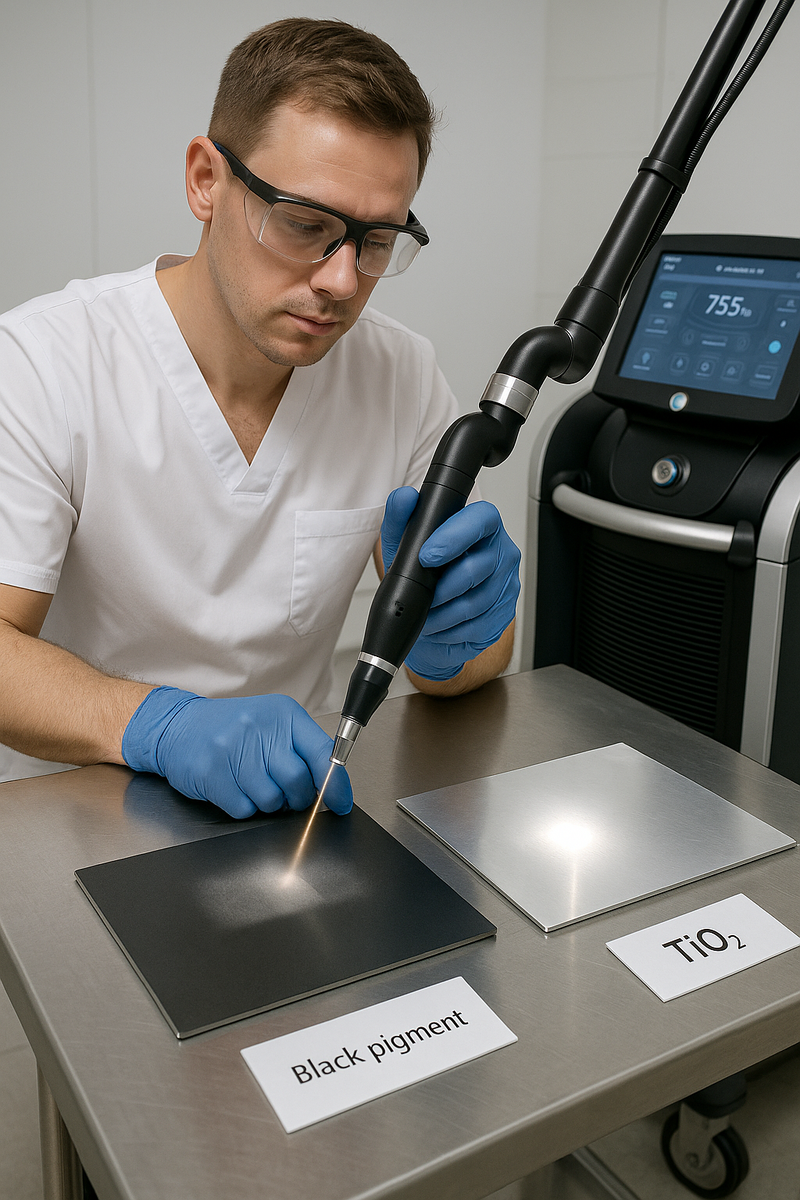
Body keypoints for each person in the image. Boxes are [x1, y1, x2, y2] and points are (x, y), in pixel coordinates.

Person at [0, 18, 520, 818]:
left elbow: (466, 665)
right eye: (305, 225)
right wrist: (157, 725)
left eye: (377, 239)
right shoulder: (43, 362)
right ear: (206, 180)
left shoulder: (399, 373)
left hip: (294, 806)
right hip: (74, 817)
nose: (341, 281)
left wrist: (461, 636)